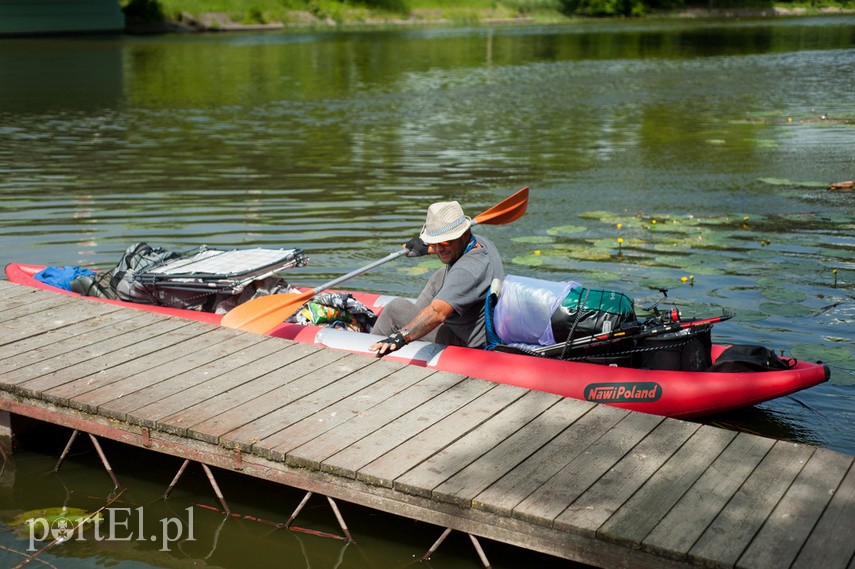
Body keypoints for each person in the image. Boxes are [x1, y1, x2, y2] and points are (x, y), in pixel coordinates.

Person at [370, 200, 504, 356]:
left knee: (396, 309)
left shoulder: (466, 271)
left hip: (466, 343)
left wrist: (402, 336)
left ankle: (366, 351)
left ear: (465, 234)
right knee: (440, 275)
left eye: (445, 242)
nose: (439, 249)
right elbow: (451, 247)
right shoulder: (483, 243)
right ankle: (415, 322)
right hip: (476, 330)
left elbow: (437, 313)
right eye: (434, 242)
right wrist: (425, 248)